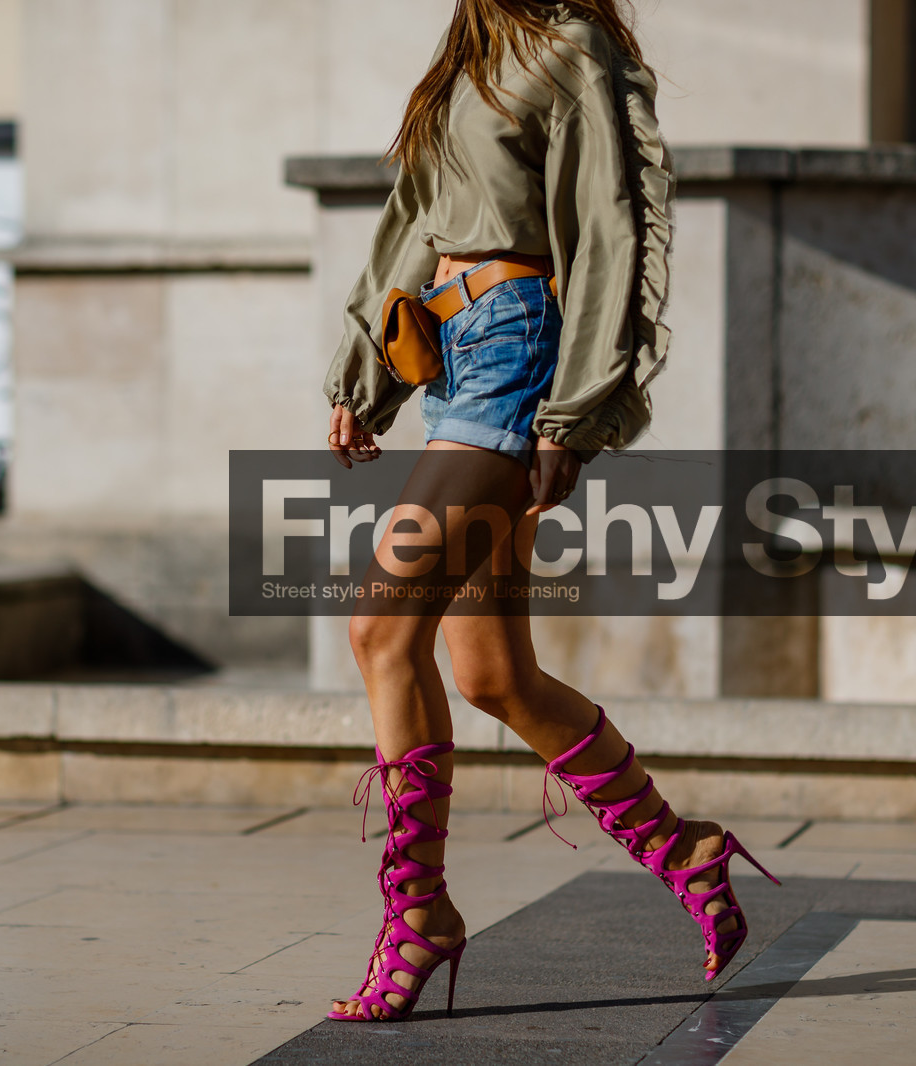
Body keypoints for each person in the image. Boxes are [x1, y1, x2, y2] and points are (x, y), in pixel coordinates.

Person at [321, 0, 779, 1023]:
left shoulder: (573, 50)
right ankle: (685, 848)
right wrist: (365, 383)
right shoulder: (467, 51)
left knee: (381, 627)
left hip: (515, 355)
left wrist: (573, 413)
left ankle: (420, 910)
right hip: (447, 350)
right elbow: (414, 221)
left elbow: (610, 228)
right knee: (492, 672)